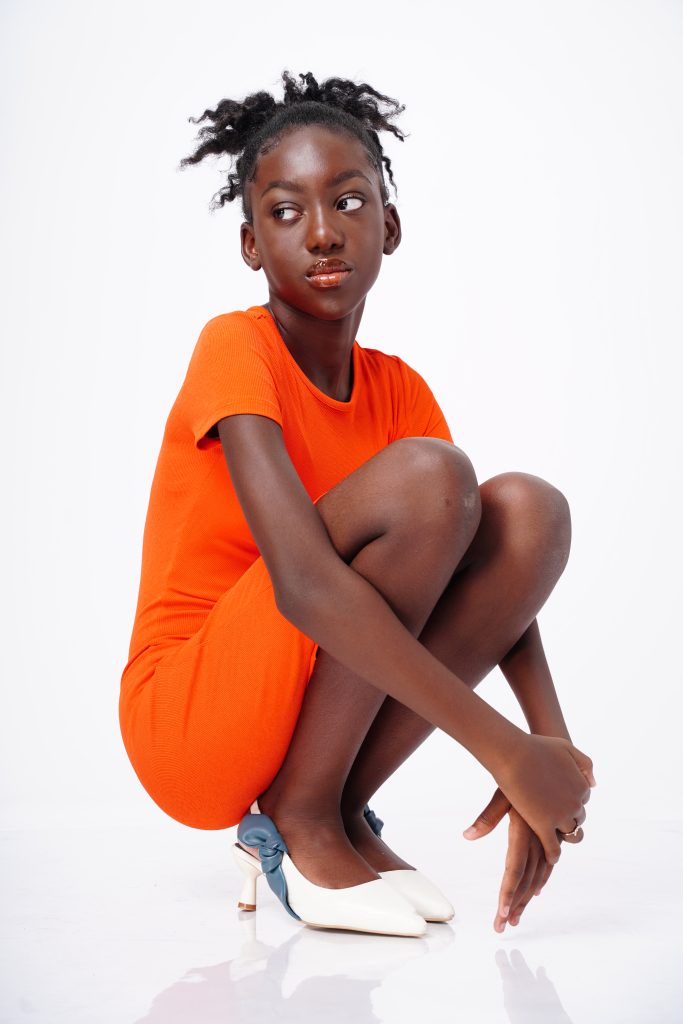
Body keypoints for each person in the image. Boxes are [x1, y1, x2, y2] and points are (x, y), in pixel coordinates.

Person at [119, 69, 596, 938]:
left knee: (528, 512)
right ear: (251, 245)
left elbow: (485, 581)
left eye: (346, 201)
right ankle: (299, 818)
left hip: (305, 697)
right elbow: (302, 584)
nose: (322, 232)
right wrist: (505, 750)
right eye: (285, 212)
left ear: (390, 225)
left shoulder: (397, 390)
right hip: (191, 713)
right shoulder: (234, 349)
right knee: (429, 479)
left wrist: (549, 749)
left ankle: (335, 806)